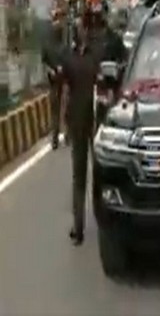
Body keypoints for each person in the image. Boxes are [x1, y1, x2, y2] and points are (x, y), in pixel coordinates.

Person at [58, 14, 103, 245]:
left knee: (93, 175)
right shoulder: (85, 58)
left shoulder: (92, 57)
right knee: (81, 176)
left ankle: (90, 223)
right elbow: (65, 92)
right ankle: (80, 227)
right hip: (83, 122)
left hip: (92, 122)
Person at [42, 10, 67, 150]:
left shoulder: (63, 46)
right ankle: (56, 137)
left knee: (61, 109)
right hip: (54, 82)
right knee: (56, 111)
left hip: (64, 81)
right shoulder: (49, 45)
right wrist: (51, 70)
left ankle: (63, 135)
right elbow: (44, 62)